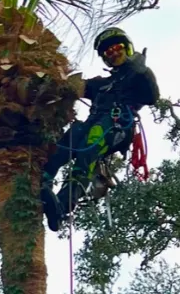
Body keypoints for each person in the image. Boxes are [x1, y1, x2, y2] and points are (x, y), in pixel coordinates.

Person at [40, 27, 160, 232]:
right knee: (64, 144)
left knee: (88, 149)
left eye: (117, 48)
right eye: (108, 52)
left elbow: (152, 97)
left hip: (116, 125)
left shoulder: (136, 76)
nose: (113, 53)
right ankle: (43, 185)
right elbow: (73, 87)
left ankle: (63, 205)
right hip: (91, 124)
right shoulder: (100, 84)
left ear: (127, 48)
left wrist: (142, 70)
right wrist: (50, 78)